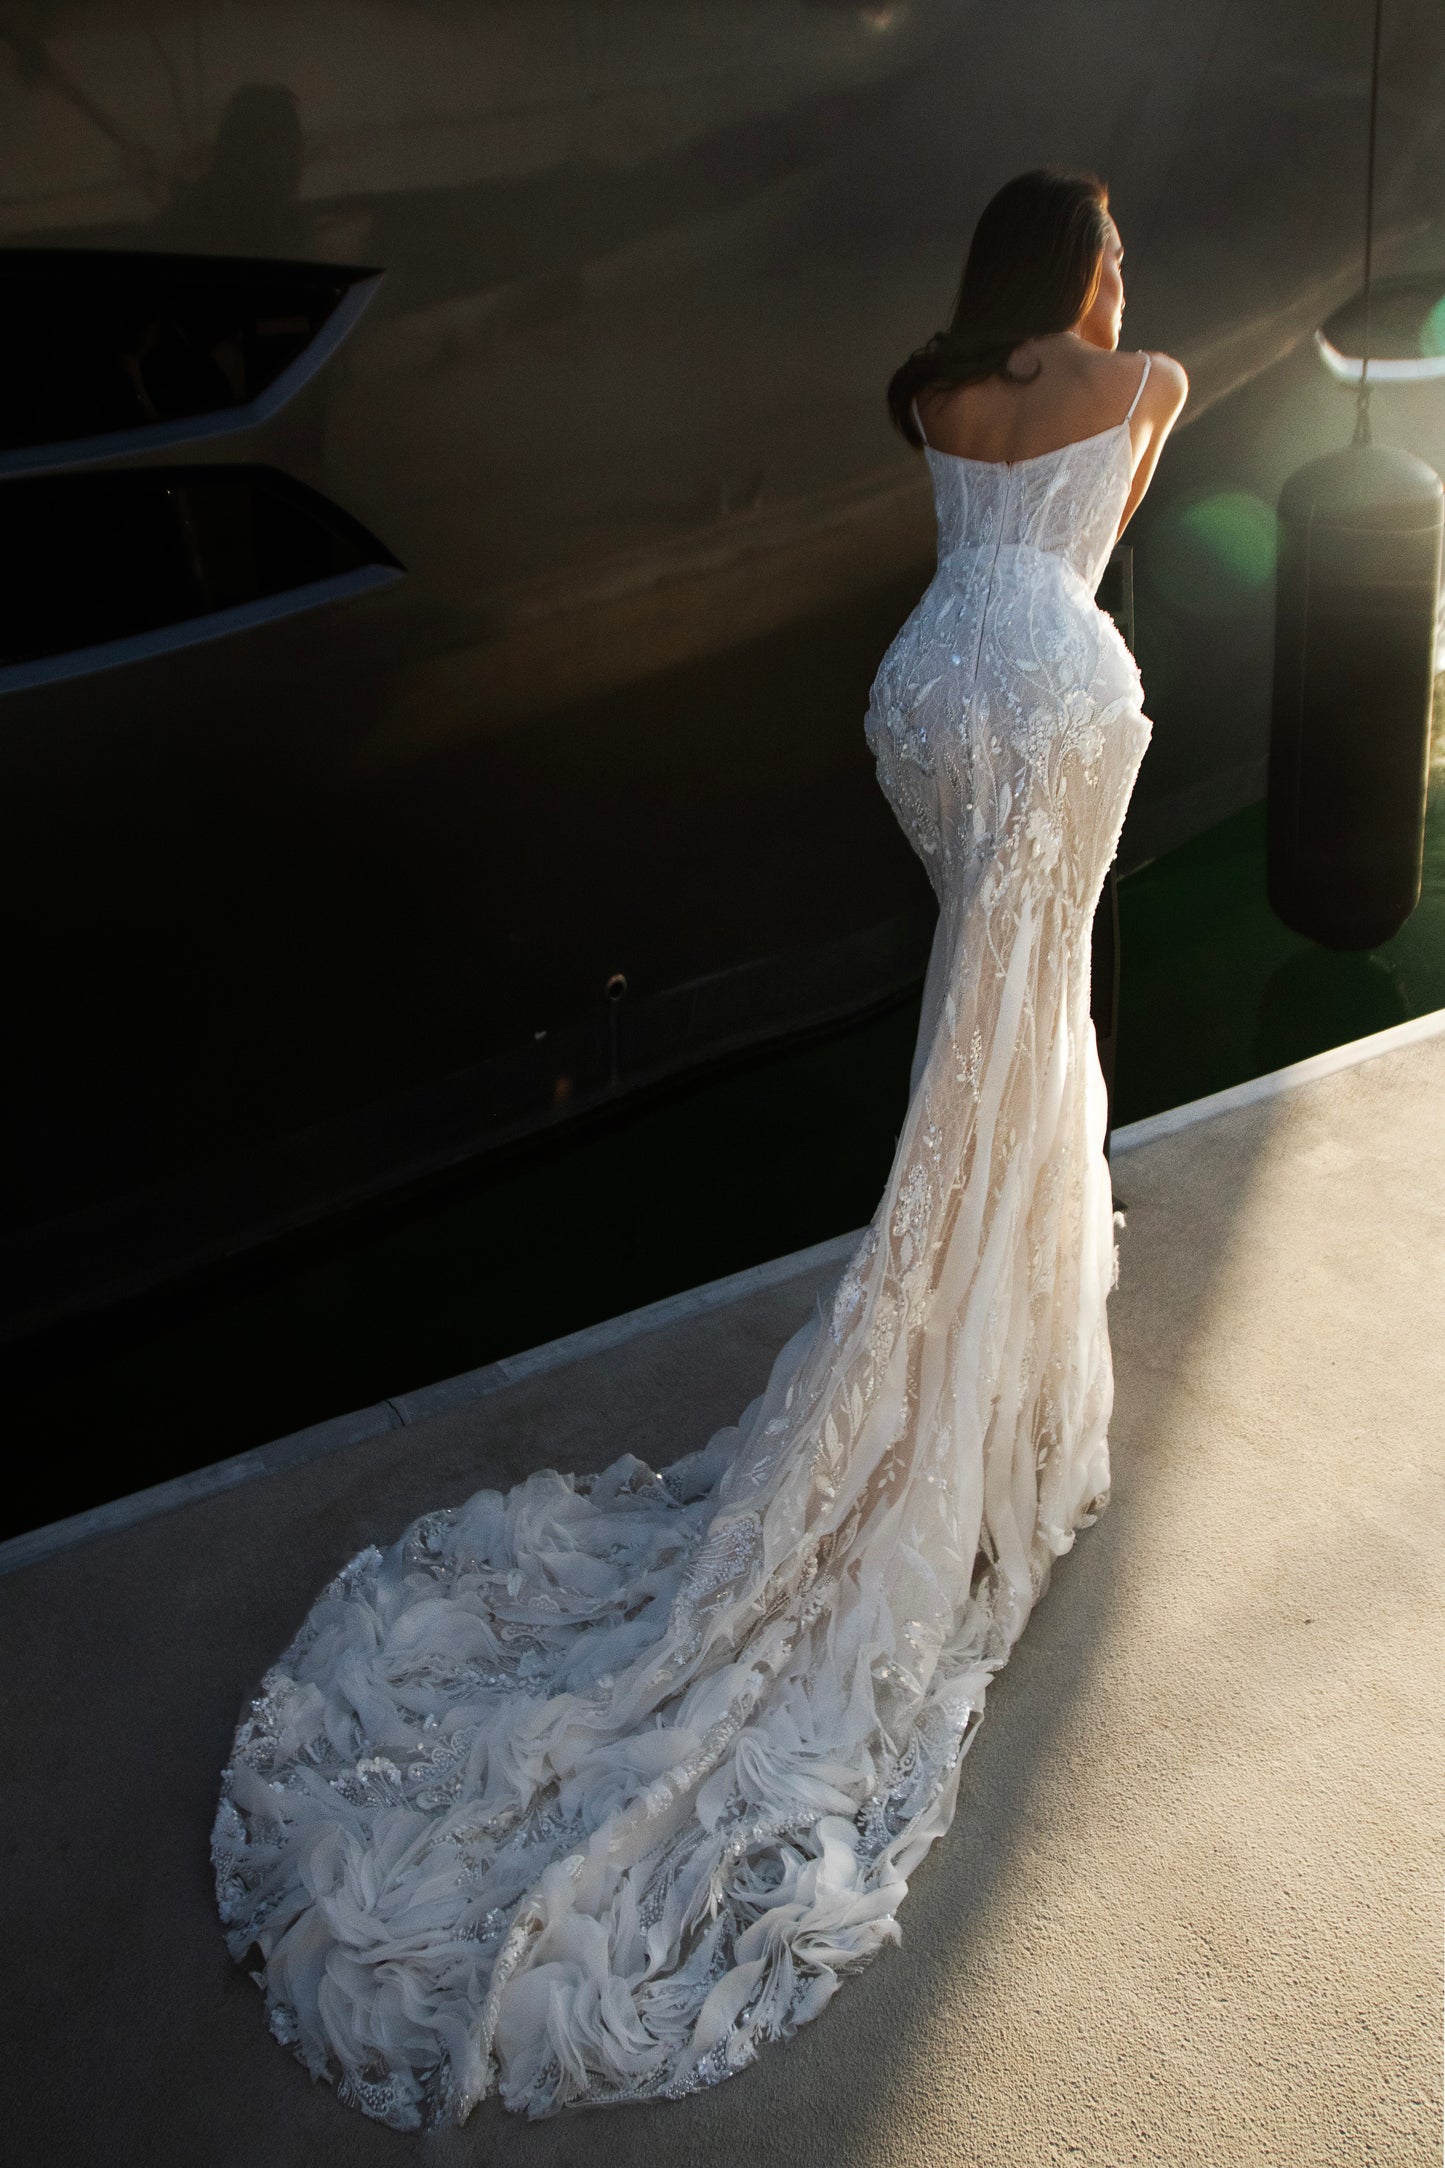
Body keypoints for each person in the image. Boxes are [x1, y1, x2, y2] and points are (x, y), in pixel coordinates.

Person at [212, 167, 1187, 2129]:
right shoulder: (1140, 365)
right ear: (1086, 266)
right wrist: (1115, 362)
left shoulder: (929, 384)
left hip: (926, 697)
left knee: (978, 1055)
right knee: (1013, 1053)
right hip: (1046, 693)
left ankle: (964, 1343)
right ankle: (963, 1389)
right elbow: (1101, 536)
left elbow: (998, 520)